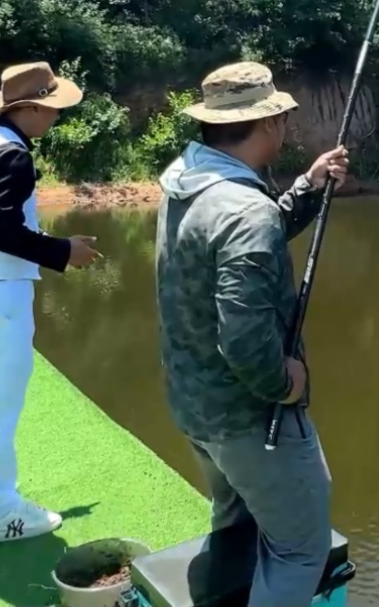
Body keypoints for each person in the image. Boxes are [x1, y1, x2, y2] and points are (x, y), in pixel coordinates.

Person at [155, 62, 350, 607]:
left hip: (193, 406)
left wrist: (306, 188)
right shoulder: (244, 211)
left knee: (238, 527)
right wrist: (285, 381)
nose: (285, 128)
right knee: (299, 551)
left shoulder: (186, 183)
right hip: (249, 419)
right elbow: (246, 345)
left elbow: (246, 240)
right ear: (265, 125)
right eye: (281, 118)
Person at [0, 61, 102, 544]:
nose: (55, 117)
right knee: (1, 404)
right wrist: (63, 252)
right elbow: (3, 233)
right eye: (50, 108)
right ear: (27, 108)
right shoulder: (11, 157)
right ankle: (0, 511)